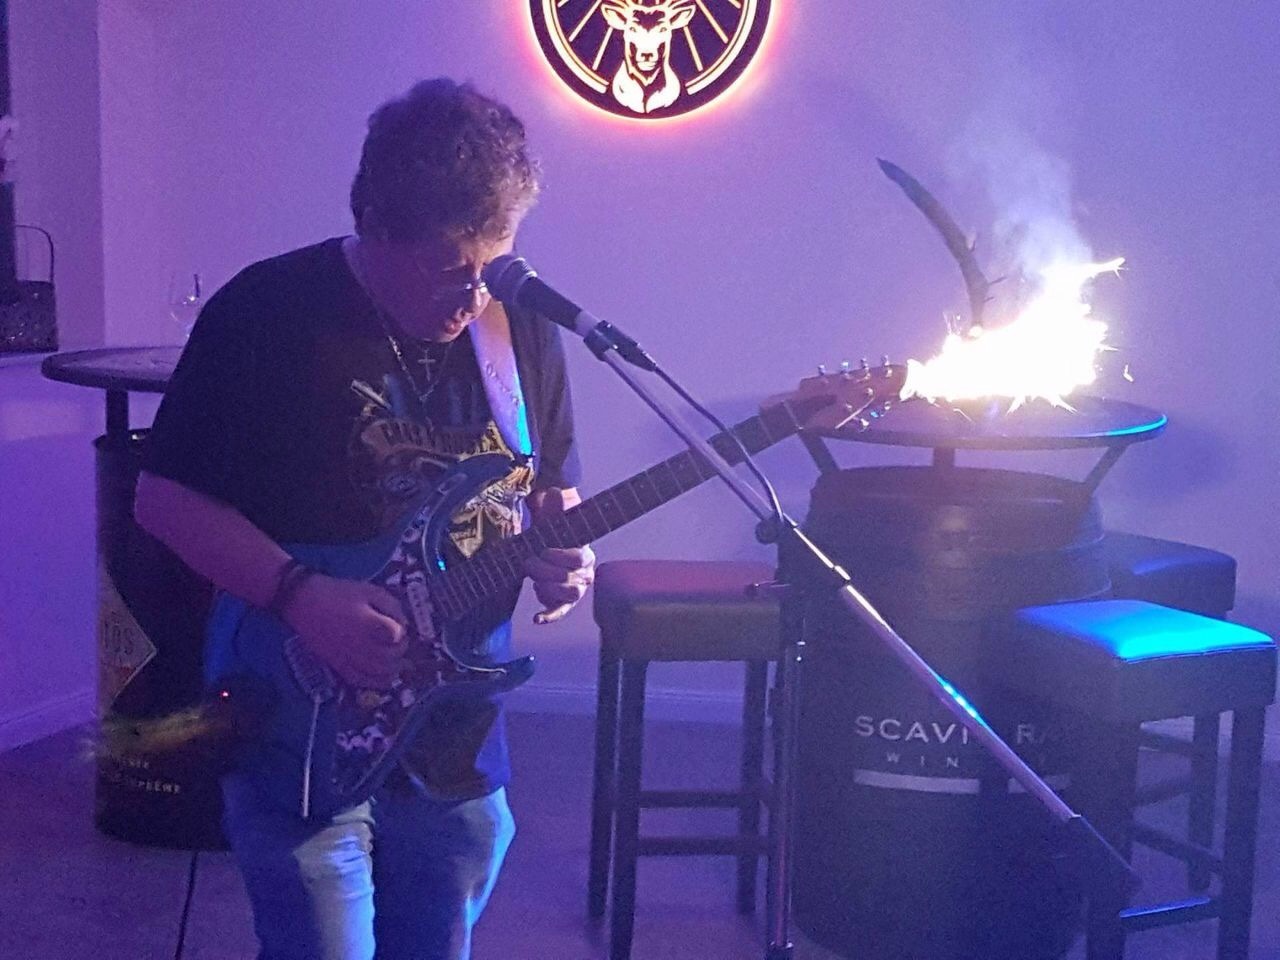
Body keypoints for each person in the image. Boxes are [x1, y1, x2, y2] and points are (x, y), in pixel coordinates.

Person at [133, 78, 595, 960]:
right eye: (446, 270)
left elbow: (549, 491)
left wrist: (566, 554)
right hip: (297, 709)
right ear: (374, 226)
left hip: (456, 730)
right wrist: (301, 594)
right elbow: (164, 499)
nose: (470, 298)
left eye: (489, 267)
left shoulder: (519, 327)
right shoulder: (266, 311)